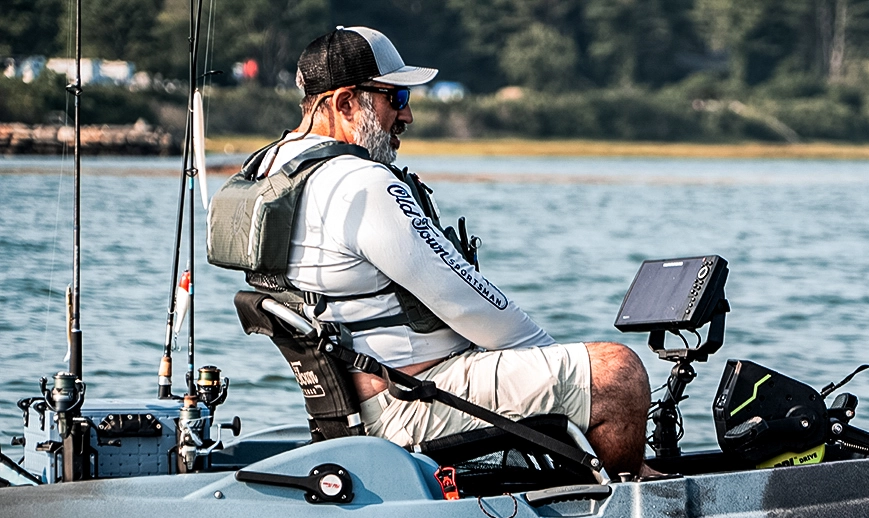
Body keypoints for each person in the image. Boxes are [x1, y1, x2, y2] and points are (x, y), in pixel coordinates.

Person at [252, 26, 652, 477]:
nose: (406, 117)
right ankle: (624, 508)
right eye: (396, 99)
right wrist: (571, 385)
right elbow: (473, 305)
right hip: (407, 403)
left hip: (356, 404)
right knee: (617, 375)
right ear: (346, 103)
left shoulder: (273, 173)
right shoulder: (359, 182)